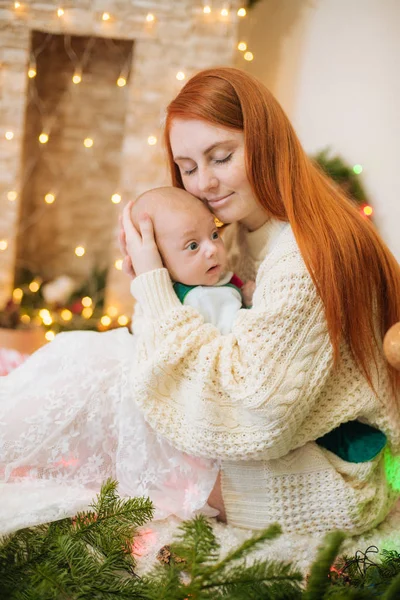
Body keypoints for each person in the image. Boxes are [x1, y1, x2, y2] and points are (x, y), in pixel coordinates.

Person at [120, 66, 400, 535]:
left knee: (111, 414)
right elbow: (180, 334)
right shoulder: (231, 237)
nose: (204, 183)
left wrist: (155, 291)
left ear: (266, 141)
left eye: (221, 157)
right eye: (188, 168)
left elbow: (256, 414)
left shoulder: (306, 255)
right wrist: (161, 282)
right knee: (101, 381)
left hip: (335, 478)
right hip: (292, 448)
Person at [0, 185, 251, 533]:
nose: (212, 249)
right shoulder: (191, 297)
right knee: (54, 384)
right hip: (129, 369)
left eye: (213, 234)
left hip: (167, 401)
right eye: (192, 246)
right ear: (159, 264)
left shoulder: (215, 286)